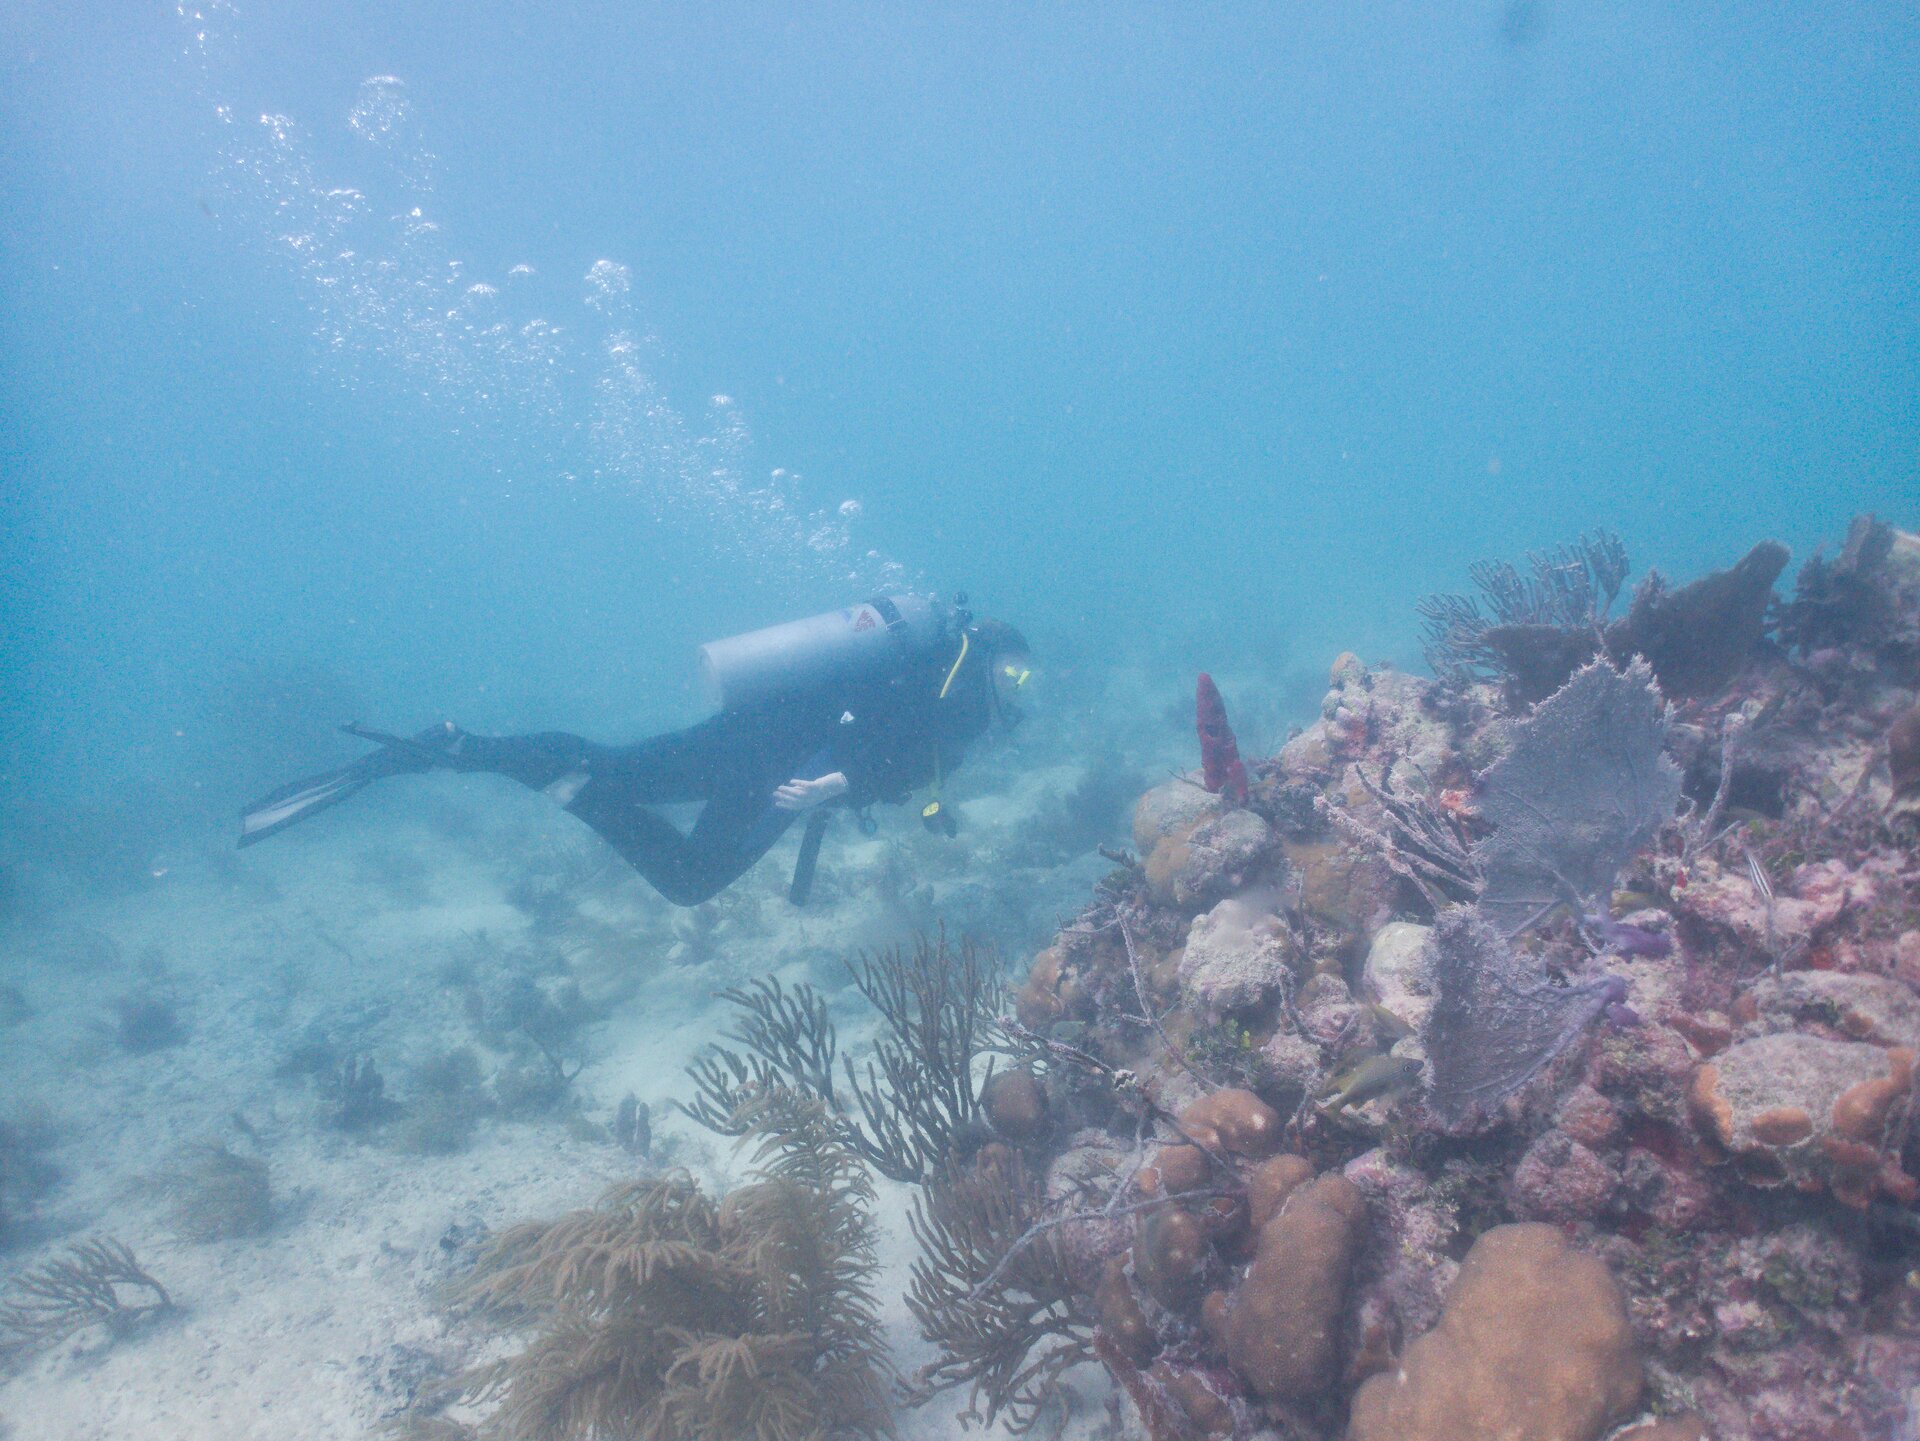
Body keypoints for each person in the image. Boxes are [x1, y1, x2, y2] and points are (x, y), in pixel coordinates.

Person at [238, 601, 1031, 907]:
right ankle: (562, 786)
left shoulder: (939, 674)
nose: (1020, 689)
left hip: (750, 734)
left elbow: (877, 727)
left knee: (617, 767)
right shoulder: (958, 695)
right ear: (993, 661)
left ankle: (459, 748)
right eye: (1020, 673)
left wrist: (856, 775)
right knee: (688, 878)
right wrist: (839, 781)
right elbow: (883, 737)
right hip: (778, 772)